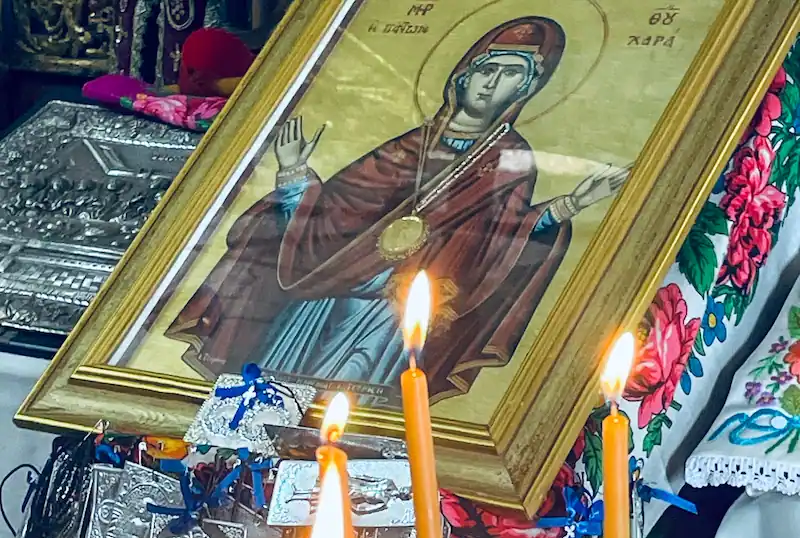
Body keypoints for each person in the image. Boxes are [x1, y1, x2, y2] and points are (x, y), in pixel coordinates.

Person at [167, 17, 628, 402]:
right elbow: (336, 210)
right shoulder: (409, 145)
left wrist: (570, 205)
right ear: (465, 73)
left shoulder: (510, 159)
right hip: (328, 288)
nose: (493, 82)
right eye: (488, 68)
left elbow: (501, 237)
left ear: (525, 90)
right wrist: (293, 175)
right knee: (275, 391)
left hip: (393, 311)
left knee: (350, 400)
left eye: (511, 74)